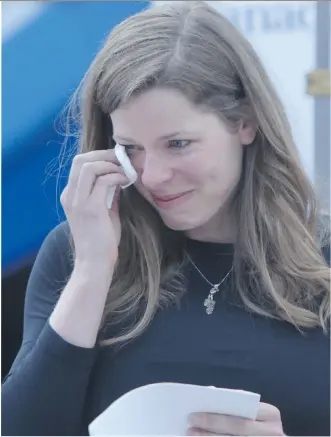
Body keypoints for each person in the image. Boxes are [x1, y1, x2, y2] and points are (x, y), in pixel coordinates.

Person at [2, 2, 330, 436]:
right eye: (130, 148)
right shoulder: (74, 254)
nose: (151, 176)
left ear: (246, 123)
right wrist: (92, 270)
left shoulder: (322, 259)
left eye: (177, 143)